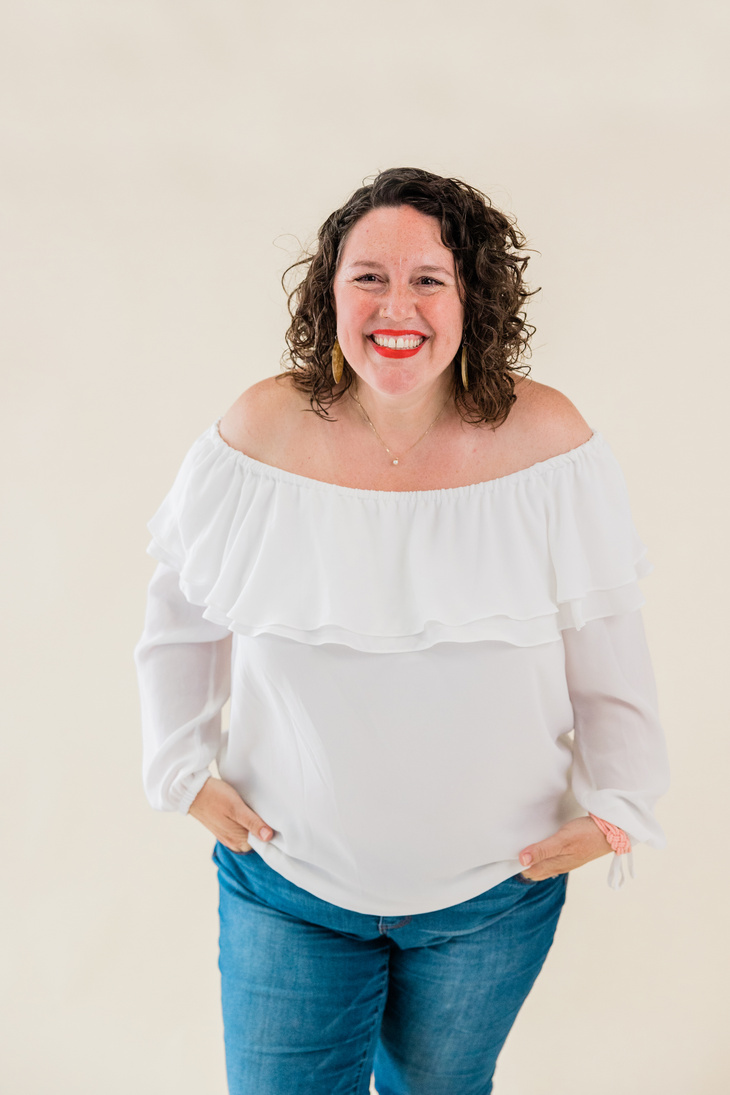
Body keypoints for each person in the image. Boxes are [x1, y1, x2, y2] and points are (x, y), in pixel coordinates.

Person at [134, 167, 670, 1095]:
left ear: (472, 299)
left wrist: (621, 803)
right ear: (329, 292)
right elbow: (179, 608)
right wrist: (180, 767)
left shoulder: (551, 443)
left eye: (429, 278)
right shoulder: (260, 430)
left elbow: (609, 636)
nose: (397, 304)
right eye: (368, 276)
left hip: (492, 900)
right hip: (288, 888)